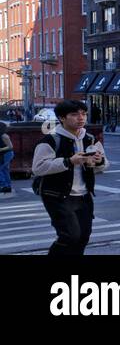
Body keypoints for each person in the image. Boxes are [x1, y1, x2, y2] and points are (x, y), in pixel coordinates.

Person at [31, 98, 111, 256]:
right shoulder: (51, 140)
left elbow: (104, 164)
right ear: (62, 118)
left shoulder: (90, 139)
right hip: (58, 195)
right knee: (70, 236)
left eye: (84, 114)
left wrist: (97, 161)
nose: (81, 118)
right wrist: (69, 161)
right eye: (75, 114)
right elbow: (38, 168)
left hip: (83, 195)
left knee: (83, 236)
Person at [0, 122, 13, 194]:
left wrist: (1, 149)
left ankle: (4, 185)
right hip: (5, 154)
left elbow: (11, 146)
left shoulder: (4, 136)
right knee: (5, 170)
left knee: (1, 169)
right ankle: (8, 187)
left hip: (7, 154)